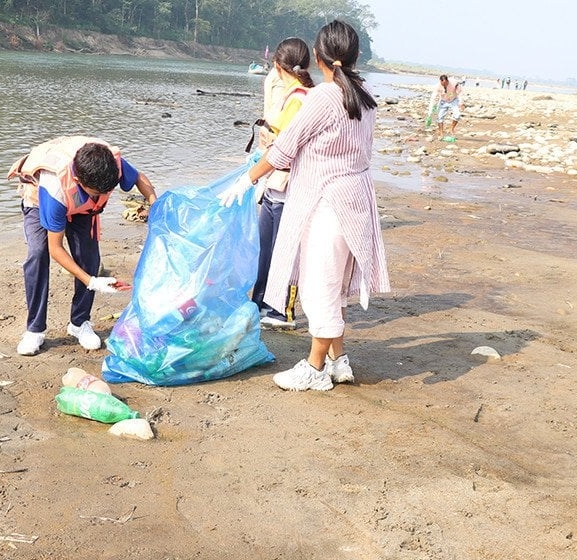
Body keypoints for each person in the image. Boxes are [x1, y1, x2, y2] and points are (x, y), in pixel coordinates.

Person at [218, 20, 390, 391]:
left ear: (318, 55)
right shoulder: (366, 93)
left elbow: (283, 149)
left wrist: (245, 181)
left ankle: (313, 369)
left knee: (320, 286)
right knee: (336, 282)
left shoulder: (324, 98)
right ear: (356, 56)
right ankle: (338, 360)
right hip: (356, 198)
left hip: (328, 202)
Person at [7, 135, 158, 356]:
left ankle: (79, 323)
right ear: (79, 181)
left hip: (83, 208)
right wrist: (92, 281)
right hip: (40, 202)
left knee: (89, 257)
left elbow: (138, 178)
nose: (103, 196)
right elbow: (55, 248)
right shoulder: (54, 189)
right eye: (98, 193)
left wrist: (154, 204)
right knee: (38, 254)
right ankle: (35, 329)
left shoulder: (109, 164)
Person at [250, 37, 315, 330]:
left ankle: (281, 311)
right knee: (265, 250)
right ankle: (259, 303)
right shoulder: (290, 94)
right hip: (275, 187)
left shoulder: (300, 97)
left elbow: (286, 147)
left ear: (277, 65)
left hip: (290, 186)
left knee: (284, 253)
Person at [427, 74, 464, 140]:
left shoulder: (454, 82)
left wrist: (461, 102)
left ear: (447, 81)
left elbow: (460, 92)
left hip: (453, 100)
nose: (444, 85)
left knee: (457, 115)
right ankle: (441, 133)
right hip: (443, 101)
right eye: (442, 84)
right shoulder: (437, 86)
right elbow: (433, 98)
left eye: (445, 84)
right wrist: (430, 111)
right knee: (439, 117)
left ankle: (451, 129)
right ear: (440, 81)